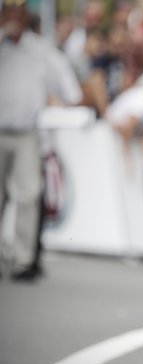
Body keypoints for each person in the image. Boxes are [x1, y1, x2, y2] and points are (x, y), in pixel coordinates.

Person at [0, 0, 82, 281]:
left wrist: (63, 108)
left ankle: (23, 260)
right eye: (7, 10)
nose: (12, 16)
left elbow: (69, 91)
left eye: (16, 11)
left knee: (28, 195)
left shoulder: (39, 51)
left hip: (26, 133)